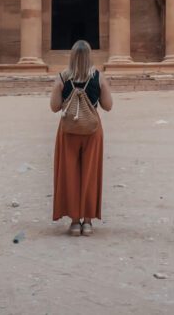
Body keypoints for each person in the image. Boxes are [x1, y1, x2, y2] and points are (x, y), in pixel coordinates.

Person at [50, 39, 113, 236]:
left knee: (69, 174)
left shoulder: (62, 78)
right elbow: (108, 106)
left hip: (68, 131)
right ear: (89, 57)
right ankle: (87, 222)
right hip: (92, 130)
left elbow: (54, 107)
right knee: (90, 174)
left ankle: (75, 222)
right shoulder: (98, 77)